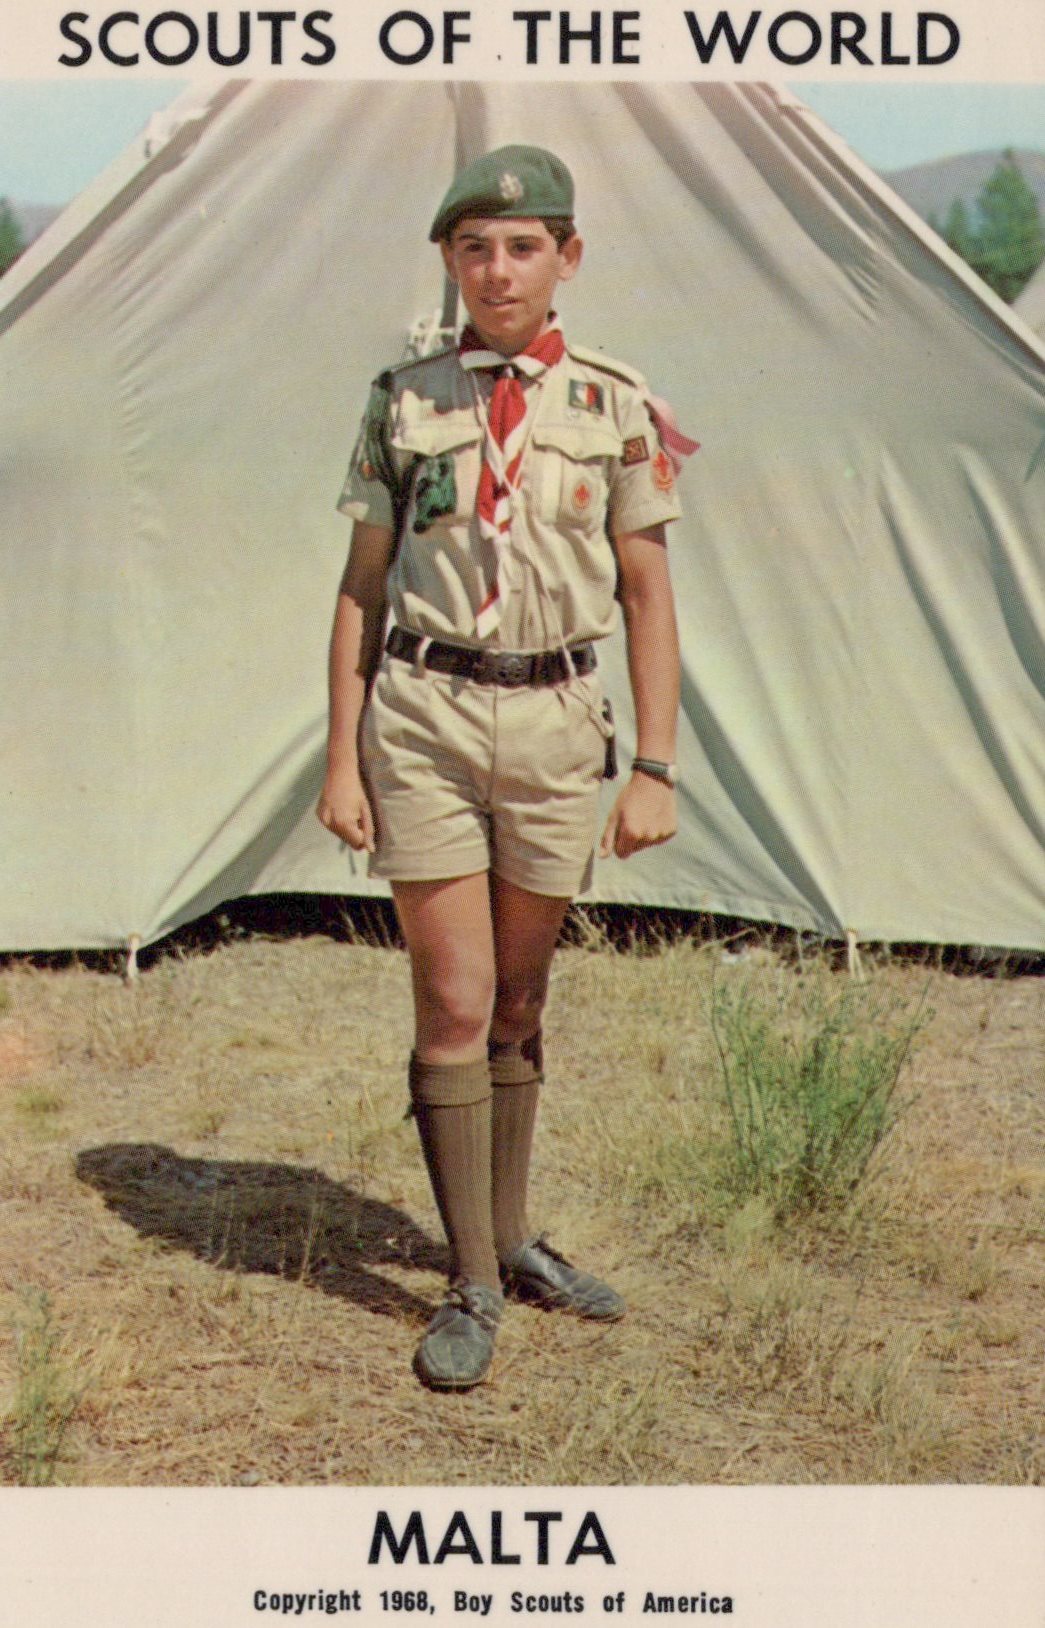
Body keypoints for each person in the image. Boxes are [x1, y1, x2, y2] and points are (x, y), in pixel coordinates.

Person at [317, 145, 689, 1390]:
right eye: (473, 247)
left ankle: (514, 1233)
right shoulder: (402, 400)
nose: (498, 270)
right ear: (448, 260)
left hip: (553, 720)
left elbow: (648, 595)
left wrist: (654, 765)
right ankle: (469, 1277)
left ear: (565, 257)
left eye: (523, 247)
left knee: (522, 1001)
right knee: (457, 1003)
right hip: (425, 717)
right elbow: (361, 590)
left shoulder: (613, 405)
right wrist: (341, 757)